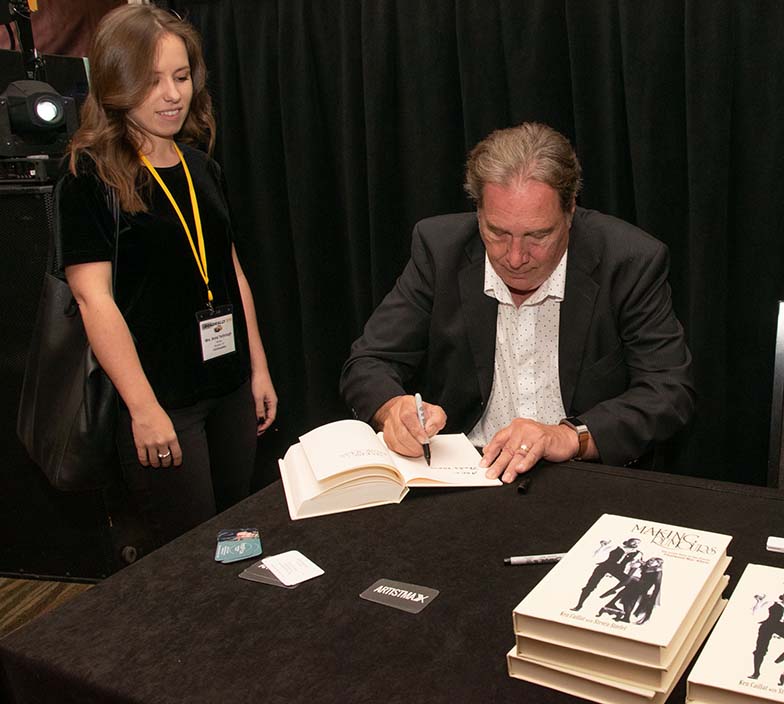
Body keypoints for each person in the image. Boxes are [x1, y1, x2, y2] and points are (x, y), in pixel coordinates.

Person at [340, 122, 694, 482]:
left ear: (571, 211)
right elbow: (369, 361)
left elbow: (668, 391)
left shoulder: (628, 261)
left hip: (586, 476)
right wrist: (393, 410)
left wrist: (571, 435)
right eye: (497, 232)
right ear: (478, 212)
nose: (515, 256)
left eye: (537, 235)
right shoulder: (440, 250)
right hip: (467, 472)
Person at [59, 5, 277, 550]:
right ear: (116, 82)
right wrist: (143, 408)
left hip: (228, 388)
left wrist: (258, 368)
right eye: (152, 80)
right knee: (189, 556)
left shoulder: (203, 167)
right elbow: (93, 300)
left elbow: (230, 272)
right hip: (163, 402)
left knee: (240, 535)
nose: (172, 94)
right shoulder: (90, 176)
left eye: (180, 78)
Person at [571, 538, 641, 612]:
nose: (636, 544)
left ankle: (612, 593)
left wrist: (637, 565)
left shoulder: (637, 553)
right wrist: (602, 546)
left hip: (618, 570)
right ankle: (579, 605)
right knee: (590, 586)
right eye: (634, 542)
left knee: (633, 582)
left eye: (638, 543)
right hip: (605, 566)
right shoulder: (615, 546)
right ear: (628, 541)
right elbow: (597, 554)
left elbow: (634, 565)